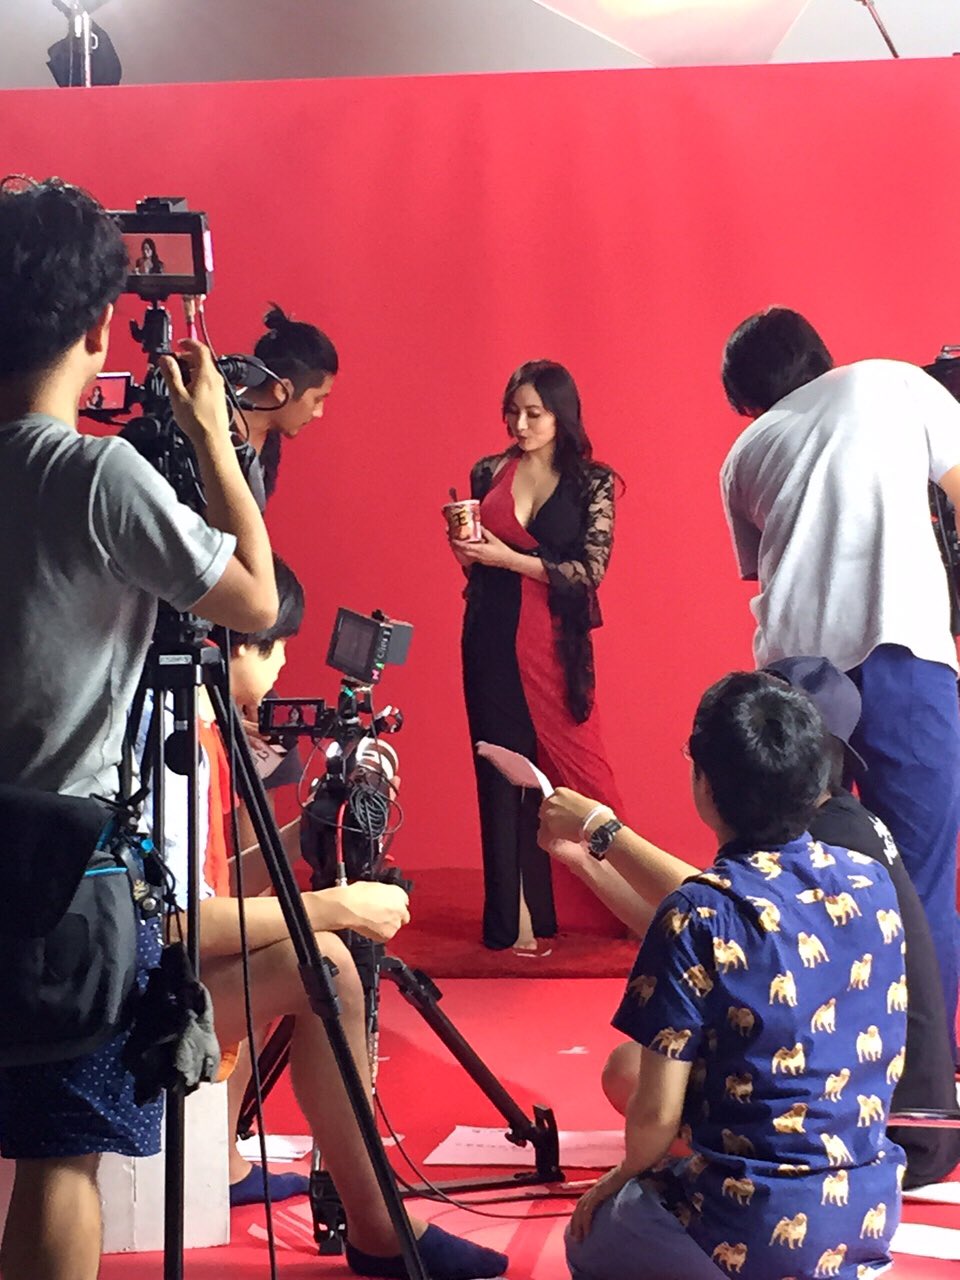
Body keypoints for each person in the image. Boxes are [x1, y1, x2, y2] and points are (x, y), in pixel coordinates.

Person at [0, 176, 278, 1280]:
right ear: (98, 328)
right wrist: (214, 440)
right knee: (58, 1161)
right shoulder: (96, 475)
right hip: (62, 876)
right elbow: (256, 600)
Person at [143, 556, 509, 1279]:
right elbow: (178, 925)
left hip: (150, 969)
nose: (284, 663)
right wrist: (335, 906)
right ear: (231, 642)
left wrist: (313, 823)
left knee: (290, 934)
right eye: (275, 644)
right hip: (132, 989)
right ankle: (378, 1228)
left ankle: (234, 1164)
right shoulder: (174, 742)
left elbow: (221, 881)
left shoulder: (199, 724)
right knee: (327, 963)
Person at [542, 656, 960, 1189]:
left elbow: (714, 909)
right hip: (885, 1116)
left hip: (879, 1134)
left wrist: (603, 829)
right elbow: (701, 926)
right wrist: (585, 861)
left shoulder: (826, 842)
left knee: (633, 1072)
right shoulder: (834, 833)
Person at [719, 307, 960, 1056]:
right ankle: (925, 1080)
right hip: (901, 650)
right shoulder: (895, 381)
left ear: (747, 398)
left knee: (799, 878)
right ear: (821, 354)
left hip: (792, 679)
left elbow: (764, 567)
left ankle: (812, 1061)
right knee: (921, 881)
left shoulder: (743, 453)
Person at [449, 359, 625, 952]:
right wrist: (468, 554)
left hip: (554, 644)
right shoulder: (488, 470)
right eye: (513, 413)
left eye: (534, 414)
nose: (520, 425)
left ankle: (621, 901)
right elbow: (477, 570)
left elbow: (590, 571)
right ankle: (512, 924)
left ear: (561, 415)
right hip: (489, 633)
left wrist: (510, 560)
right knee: (500, 772)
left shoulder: (593, 481)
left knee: (581, 772)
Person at [240, 303, 339, 502]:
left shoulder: (271, 441)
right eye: (317, 399)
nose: (318, 413)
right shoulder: (206, 426)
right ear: (281, 390)